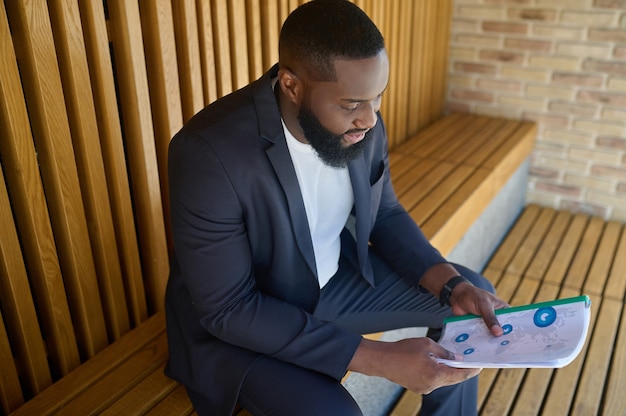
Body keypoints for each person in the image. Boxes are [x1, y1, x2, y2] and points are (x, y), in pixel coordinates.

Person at [165, 1, 508, 415]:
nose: (368, 119)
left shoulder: (363, 123)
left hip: (336, 285)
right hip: (250, 325)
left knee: (471, 308)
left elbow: (386, 215)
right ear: (291, 85)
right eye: (350, 105)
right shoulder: (209, 153)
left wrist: (451, 285)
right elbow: (230, 309)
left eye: (377, 98)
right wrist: (381, 360)